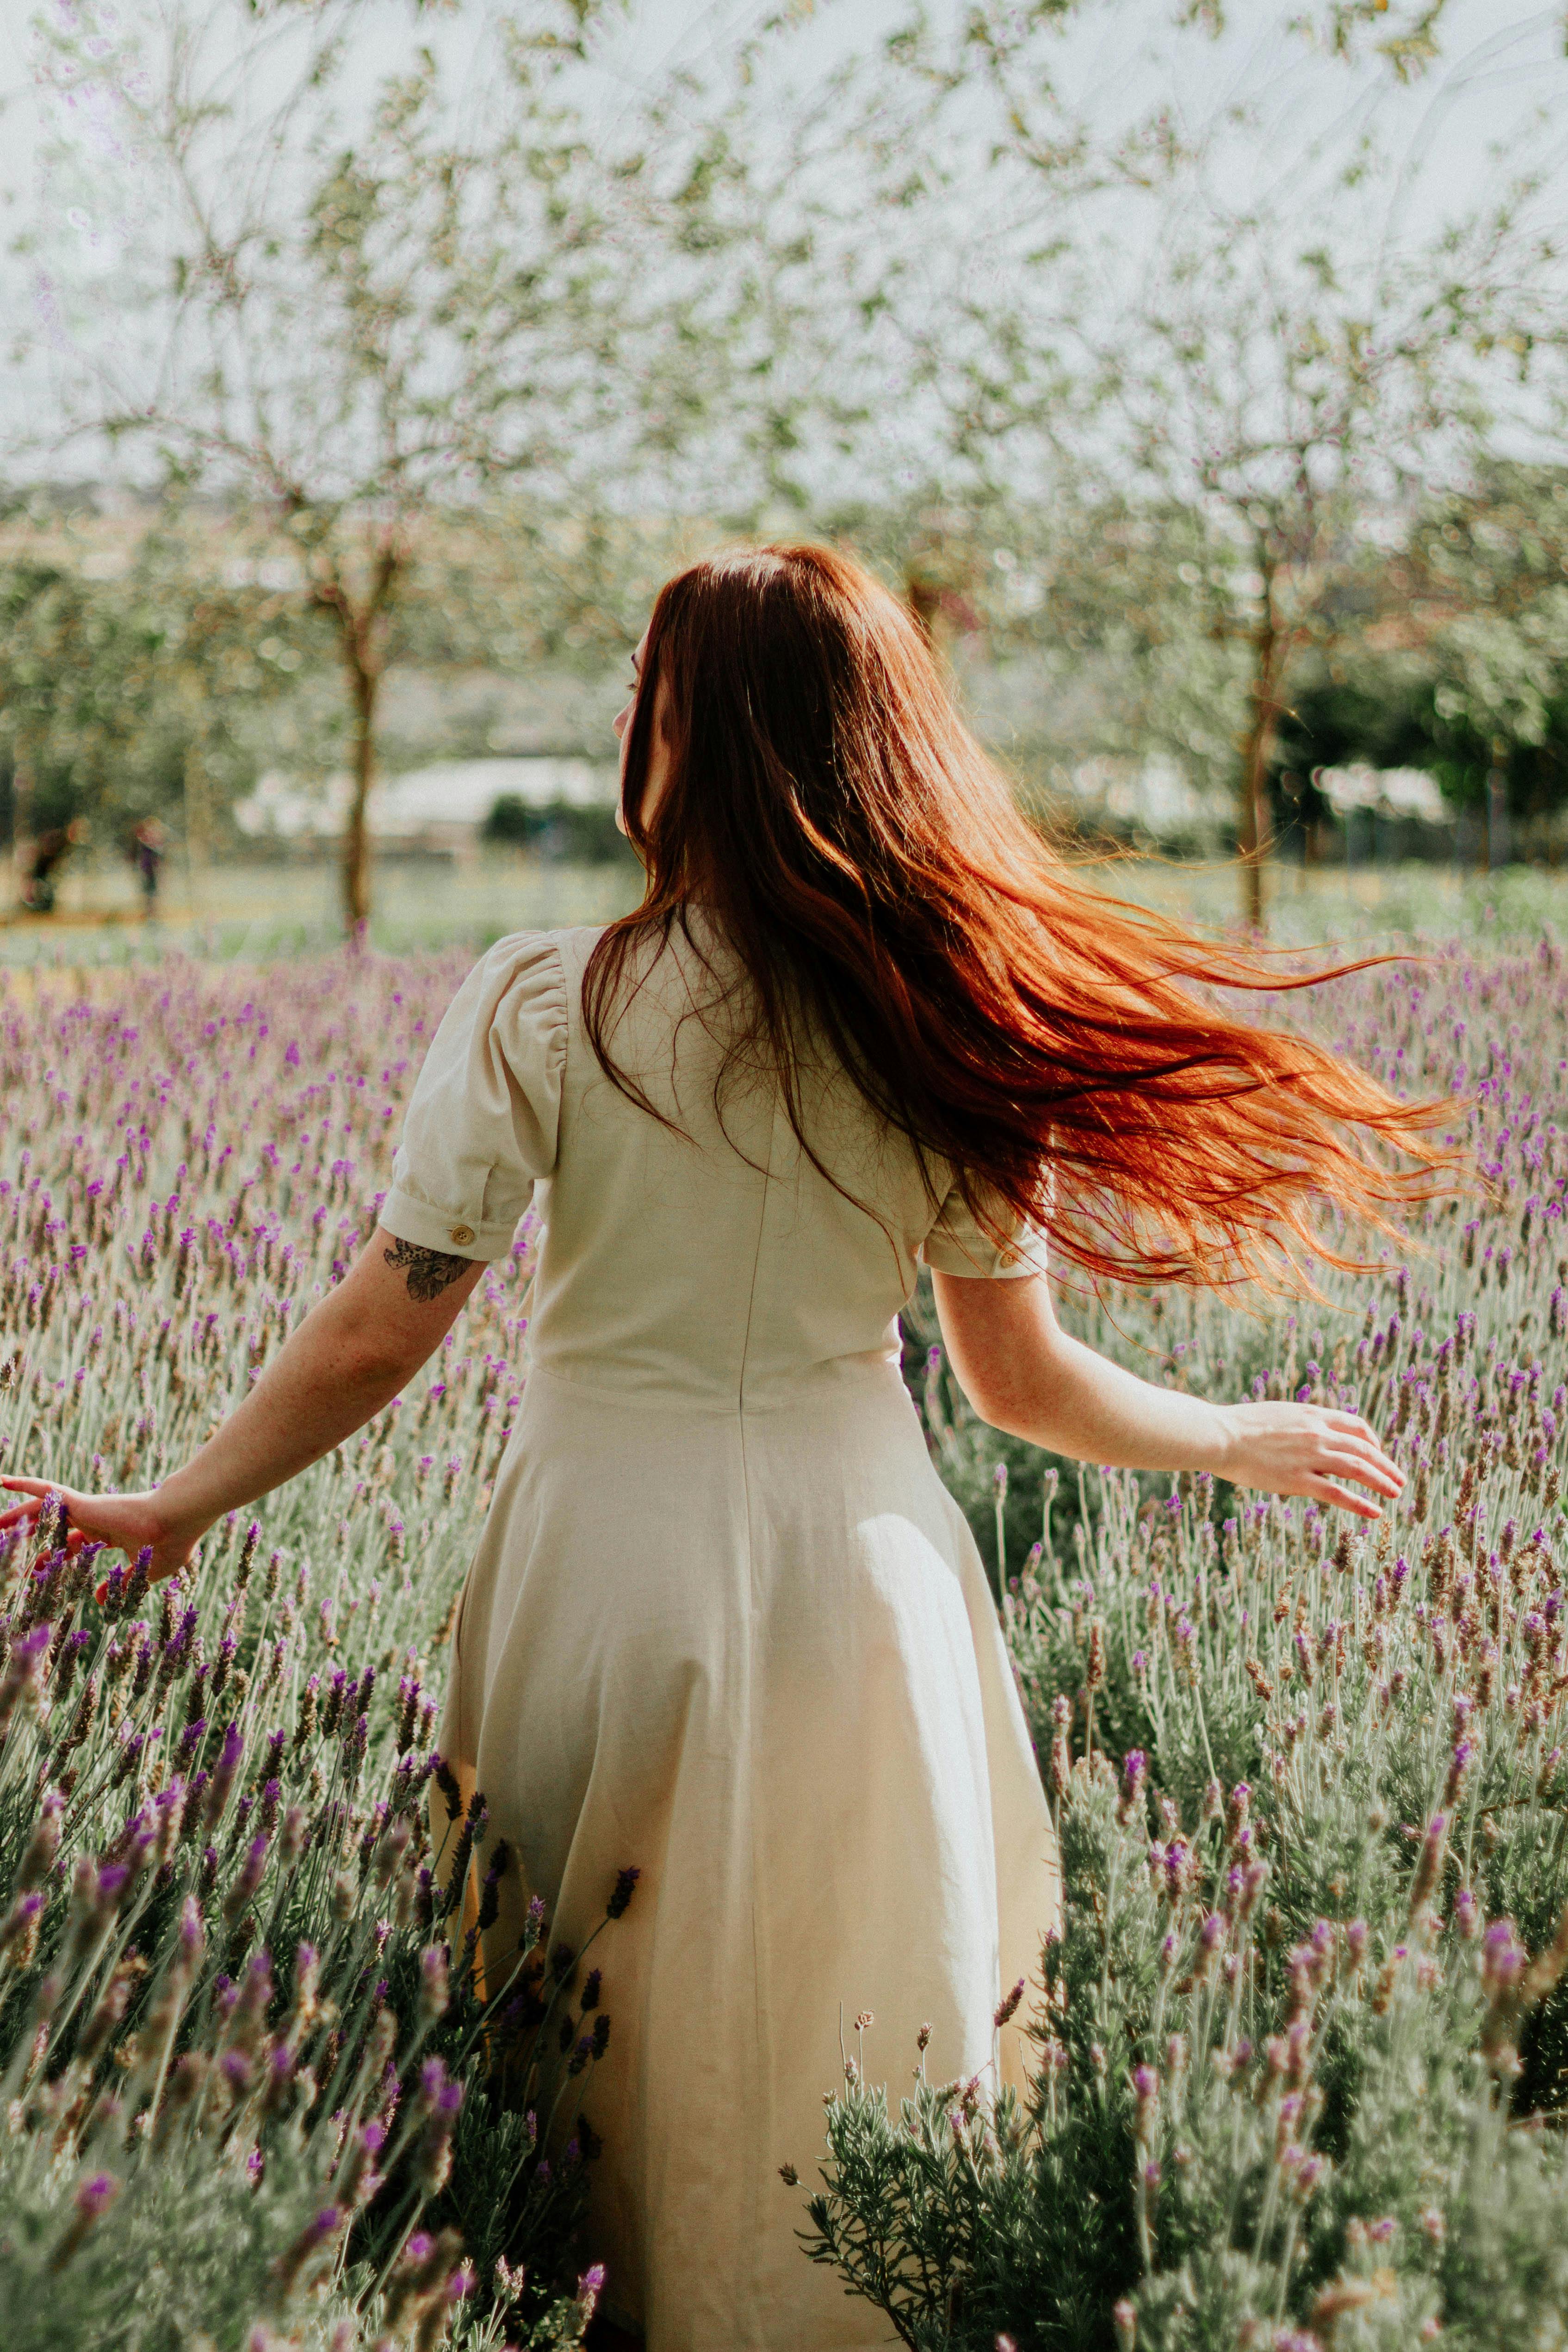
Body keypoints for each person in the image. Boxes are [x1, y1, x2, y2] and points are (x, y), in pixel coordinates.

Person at [1, 545, 1441, 2352]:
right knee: (866, 2045)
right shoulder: (939, 1014)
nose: (628, 714)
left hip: (600, 1566)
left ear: (693, 734)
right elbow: (1018, 1385)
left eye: (649, 689)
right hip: (867, 1578)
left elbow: (383, 1325)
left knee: (575, 2054)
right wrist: (1228, 1432)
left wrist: (177, 1502)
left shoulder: (551, 1000)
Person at [130, 815, 167, 917]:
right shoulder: (145, 840)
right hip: (147, 868)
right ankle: (150, 912)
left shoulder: (153, 841)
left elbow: (159, 854)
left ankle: (153, 912)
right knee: (149, 891)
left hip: (152, 868)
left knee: (153, 891)